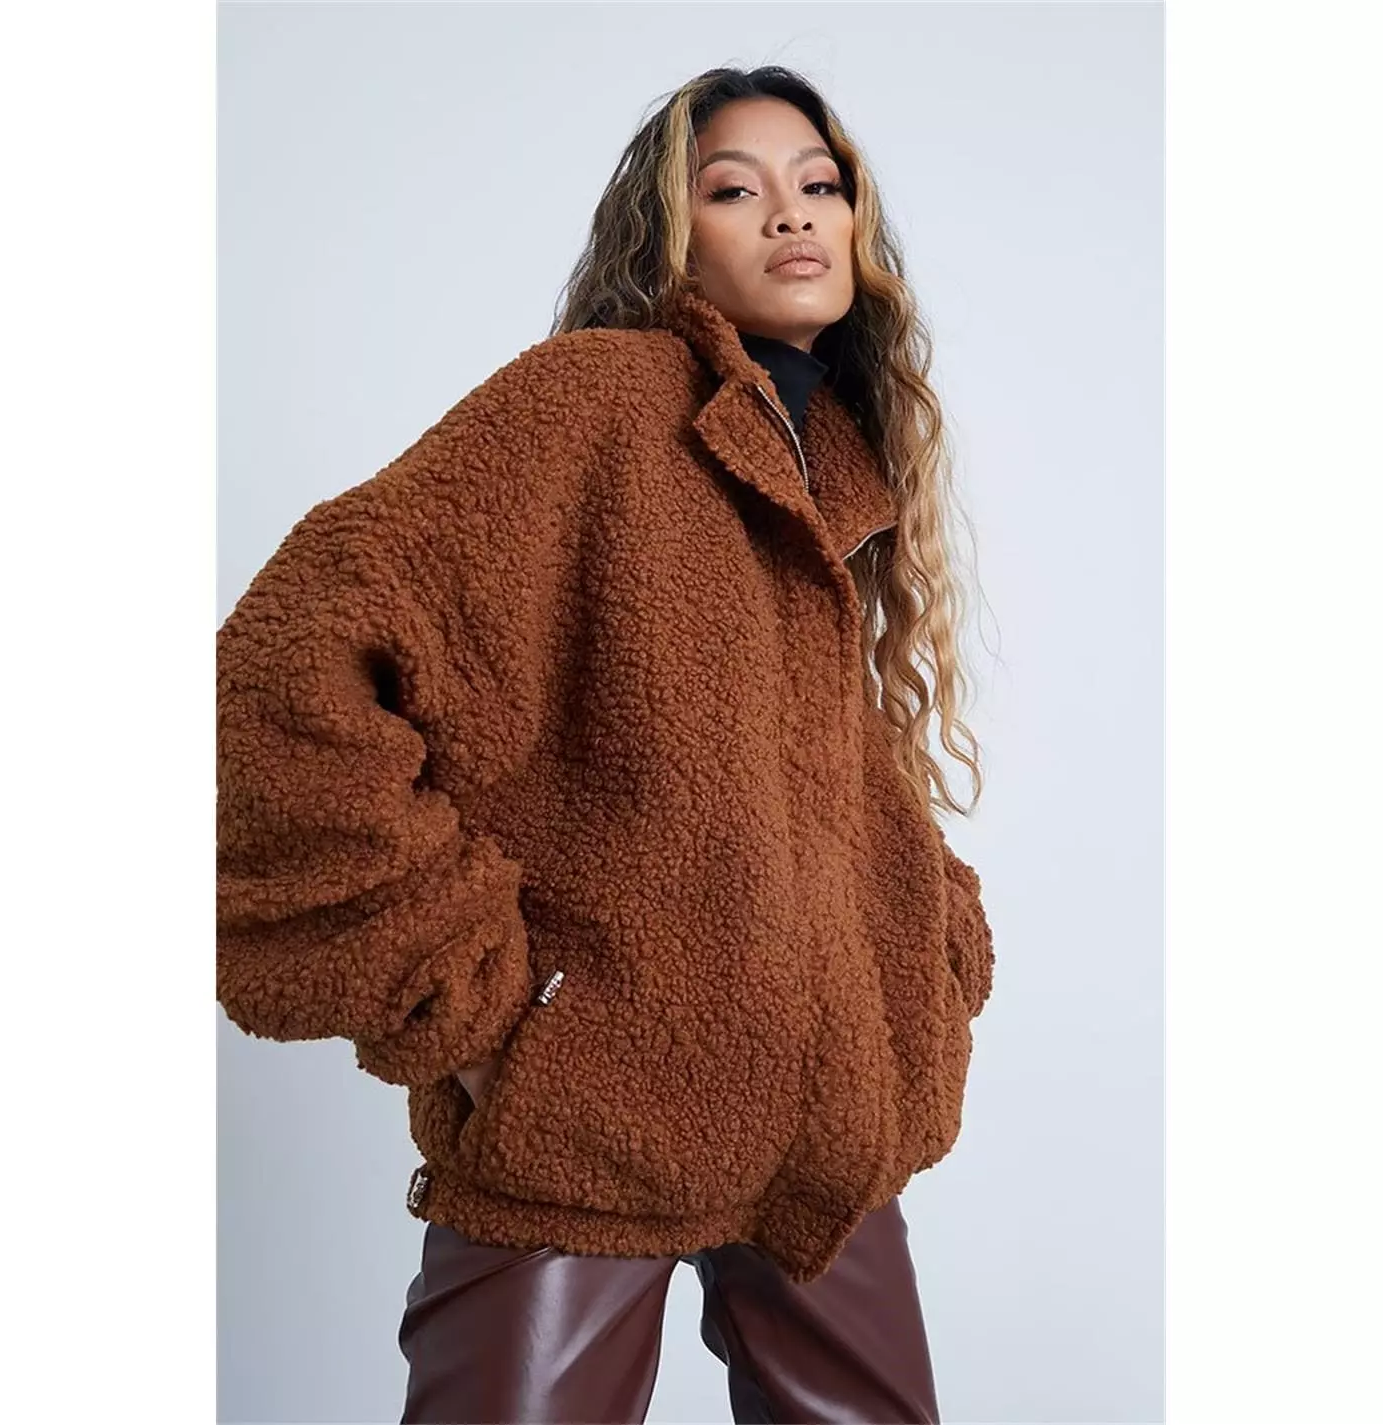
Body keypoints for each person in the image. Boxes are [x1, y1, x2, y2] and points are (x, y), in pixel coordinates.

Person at [216, 62, 995, 1425]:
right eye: (734, 189)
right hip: (598, 1113)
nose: (791, 214)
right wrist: (476, 1010)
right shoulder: (591, 405)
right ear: (671, 236)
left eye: (820, 184)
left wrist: (919, 948)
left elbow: (805, 766)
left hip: (821, 1130)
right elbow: (286, 666)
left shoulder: (834, 463)